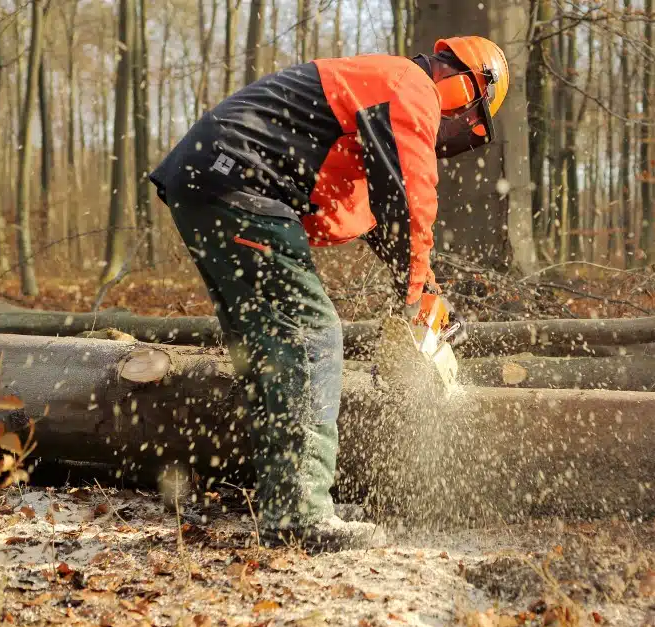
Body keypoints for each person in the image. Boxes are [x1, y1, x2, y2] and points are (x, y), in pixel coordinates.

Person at [148, 37, 510, 552]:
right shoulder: (409, 87)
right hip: (238, 183)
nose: (452, 133)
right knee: (310, 337)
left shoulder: (367, 97)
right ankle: (299, 515)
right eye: (464, 120)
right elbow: (410, 202)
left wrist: (424, 293)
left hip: (208, 180)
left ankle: (281, 500)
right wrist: (411, 303)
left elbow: (380, 216)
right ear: (467, 85)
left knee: (269, 351)